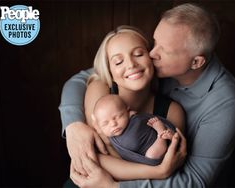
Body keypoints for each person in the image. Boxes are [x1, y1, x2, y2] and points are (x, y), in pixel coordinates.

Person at [59, 3, 235, 187]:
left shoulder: (225, 103)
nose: (151, 54)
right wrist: (73, 125)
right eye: (154, 42)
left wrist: (113, 187)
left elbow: (194, 180)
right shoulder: (150, 67)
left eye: (163, 50)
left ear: (196, 62)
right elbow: (84, 78)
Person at [61, 25, 186, 187]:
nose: (131, 64)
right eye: (118, 61)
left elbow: (171, 164)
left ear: (151, 56)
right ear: (109, 70)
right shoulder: (100, 90)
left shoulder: (172, 111)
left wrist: (161, 169)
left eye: (139, 54)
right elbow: (97, 158)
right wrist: (158, 171)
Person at [92, 94, 177, 166]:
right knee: (151, 156)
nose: (113, 124)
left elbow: (142, 119)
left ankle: (161, 134)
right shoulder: (107, 136)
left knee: (152, 155)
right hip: (145, 160)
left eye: (118, 117)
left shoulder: (136, 121)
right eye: (105, 123)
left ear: (128, 112)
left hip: (155, 146)